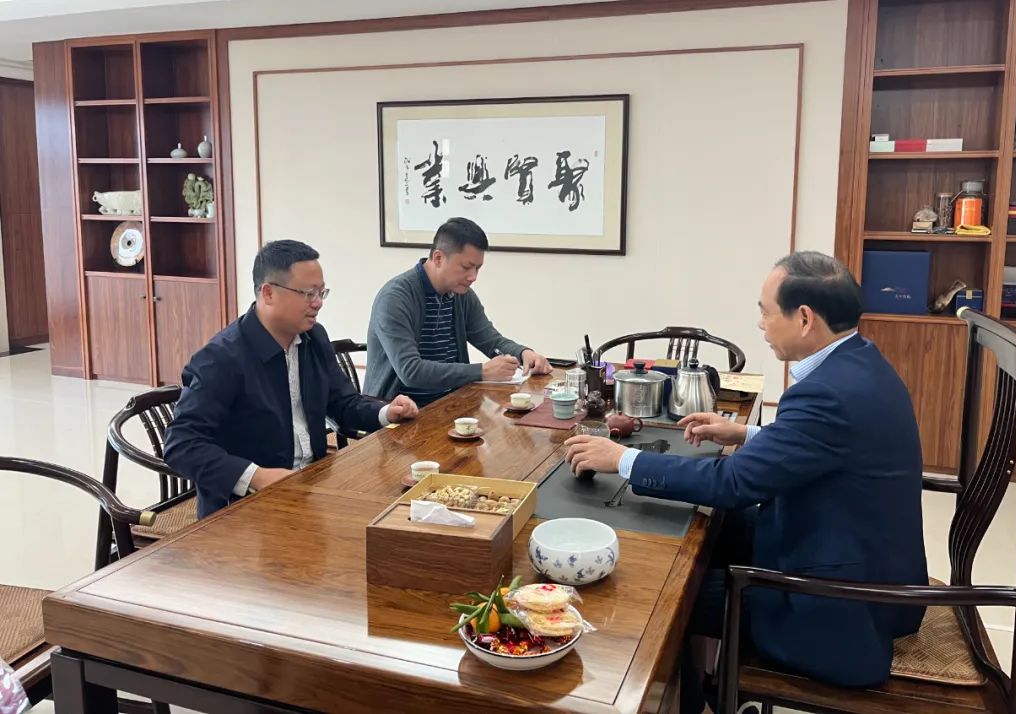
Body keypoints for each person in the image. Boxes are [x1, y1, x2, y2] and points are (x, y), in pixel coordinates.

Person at [564, 251, 927, 713]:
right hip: (844, 547)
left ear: (804, 319)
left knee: (663, 594)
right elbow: (822, 446)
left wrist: (624, 459)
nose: (760, 324)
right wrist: (746, 434)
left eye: (765, 311)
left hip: (837, 602)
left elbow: (732, 482)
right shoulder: (859, 362)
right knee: (695, 527)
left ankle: (685, 701)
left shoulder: (828, 393)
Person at [165, 240, 418, 518]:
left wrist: (386, 412)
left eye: (321, 292)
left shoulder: (313, 338)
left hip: (311, 488)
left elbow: (342, 402)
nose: (318, 303)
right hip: (245, 508)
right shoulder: (221, 358)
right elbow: (181, 444)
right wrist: (257, 477)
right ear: (268, 293)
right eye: (308, 293)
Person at [363, 217, 552, 405]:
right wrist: (482, 371)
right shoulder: (395, 298)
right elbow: (411, 371)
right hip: (399, 411)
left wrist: (524, 354)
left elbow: (491, 340)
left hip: (450, 403)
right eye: (466, 267)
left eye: (478, 268)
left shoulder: (461, 294)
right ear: (438, 258)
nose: (473, 277)